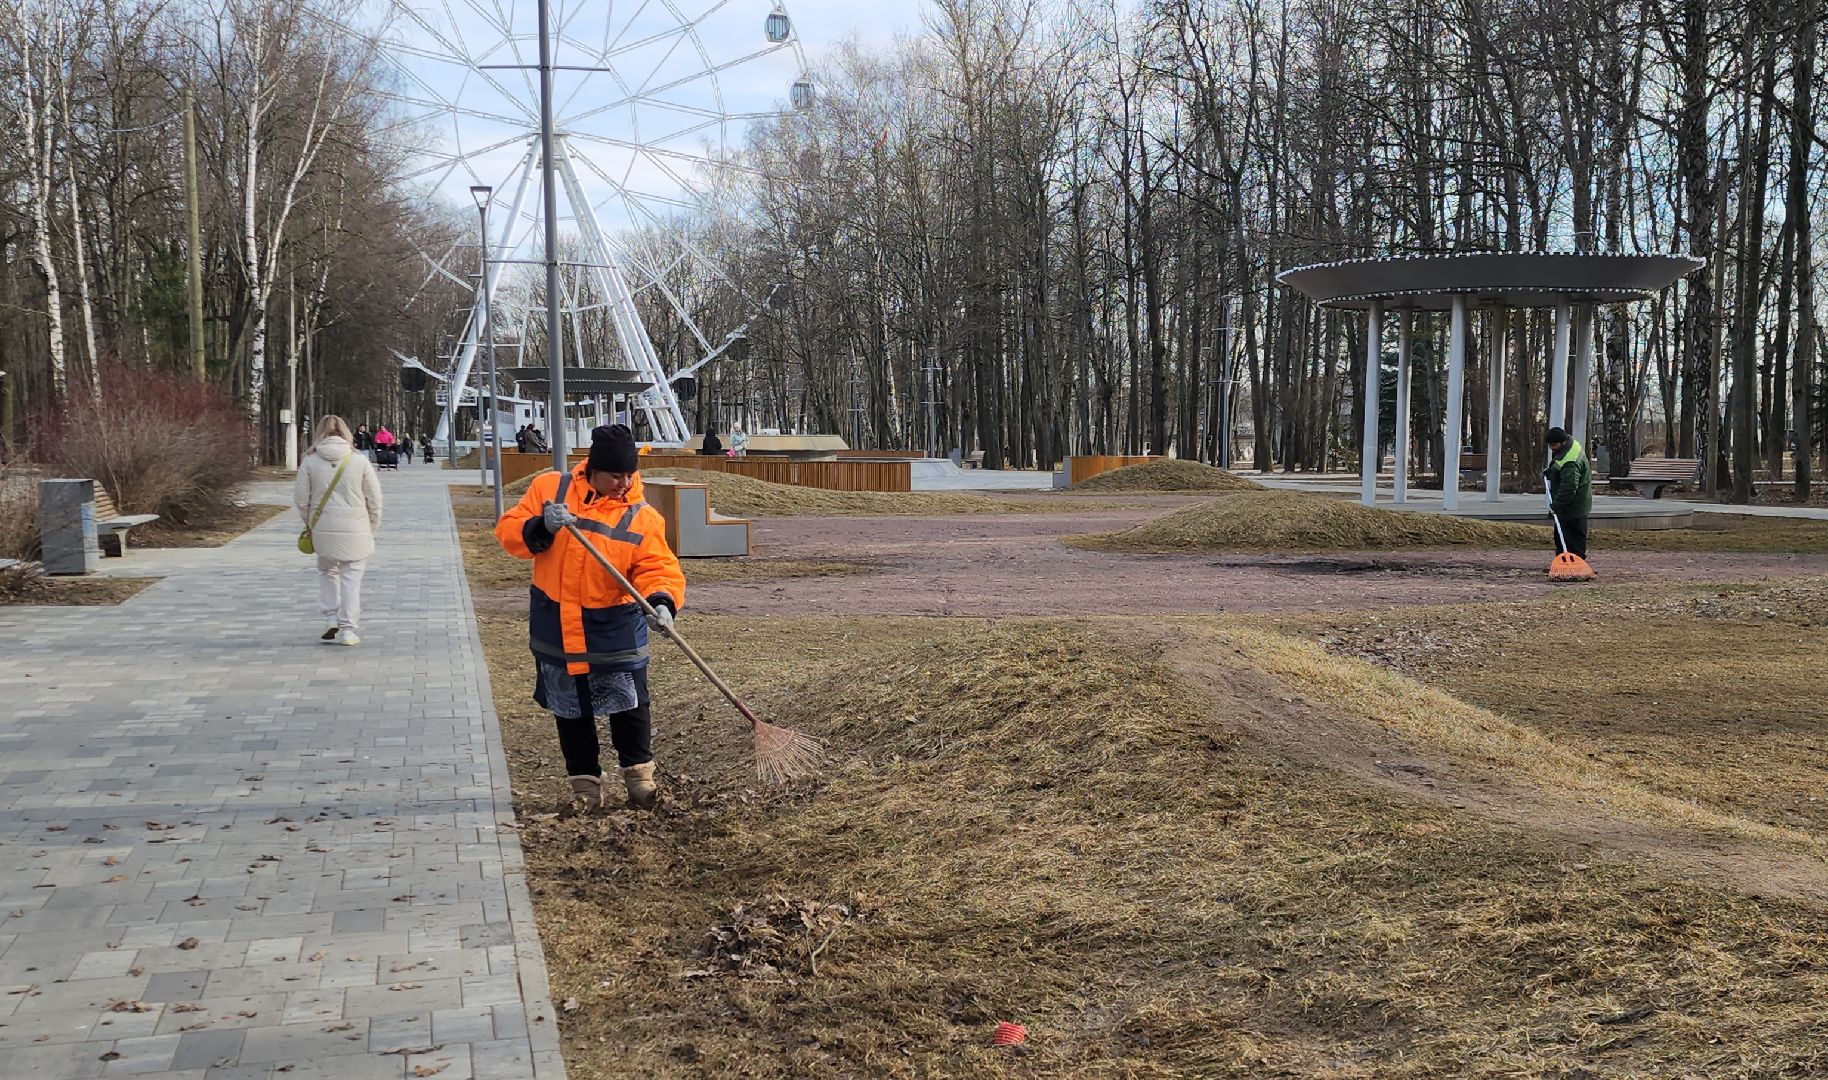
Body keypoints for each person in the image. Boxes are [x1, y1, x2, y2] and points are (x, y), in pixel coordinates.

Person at [495, 424, 685, 813]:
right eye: (616, 475)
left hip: (613, 626)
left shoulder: (641, 516)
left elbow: (657, 566)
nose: (624, 482)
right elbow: (508, 532)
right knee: (571, 708)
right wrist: (540, 527)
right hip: (557, 623)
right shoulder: (550, 490)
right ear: (594, 469)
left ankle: (640, 783)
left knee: (629, 707)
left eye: (630, 474)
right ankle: (585, 789)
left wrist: (662, 601)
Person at [294, 415, 384, 646]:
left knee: (327, 572)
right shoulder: (359, 460)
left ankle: (330, 616)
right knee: (351, 578)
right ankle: (348, 629)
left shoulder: (310, 461)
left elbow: (301, 499)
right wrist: (371, 525)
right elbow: (374, 499)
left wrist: (311, 524)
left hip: (323, 527)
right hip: (356, 526)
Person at [1544, 426, 1593, 559]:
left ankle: (1576, 564)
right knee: (1561, 536)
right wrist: (1551, 472)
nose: (1551, 448)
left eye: (1553, 445)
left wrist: (1556, 506)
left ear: (1562, 443)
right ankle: (1562, 562)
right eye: (1549, 445)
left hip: (1574, 505)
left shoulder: (1570, 462)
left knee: (1573, 537)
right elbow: (1560, 466)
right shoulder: (1571, 446)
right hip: (1570, 504)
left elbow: (1569, 488)